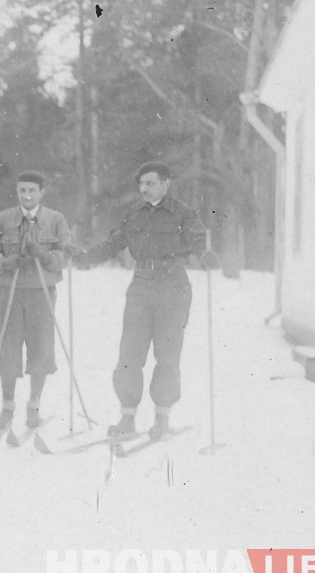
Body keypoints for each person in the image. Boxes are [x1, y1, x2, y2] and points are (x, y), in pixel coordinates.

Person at [79, 161, 215, 439]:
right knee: (129, 355)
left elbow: (198, 239)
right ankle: (127, 419)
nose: (144, 188)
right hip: (140, 287)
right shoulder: (134, 212)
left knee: (167, 356)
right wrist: (87, 257)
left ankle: (161, 419)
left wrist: (205, 255)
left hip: (172, 287)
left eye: (150, 183)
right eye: (141, 183)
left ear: (166, 184)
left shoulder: (183, 213)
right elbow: (115, 242)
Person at [0, 171, 73, 430]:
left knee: (41, 349)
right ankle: (7, 407)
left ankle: (34, 405)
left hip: (41, 292)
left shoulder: (56, 220)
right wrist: (9, 262)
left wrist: (43, 255)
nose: (27, 195)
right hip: (11, 292)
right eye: (22, 190)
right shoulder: (4, 219)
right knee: (8, 349)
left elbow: (64, 256)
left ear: (41, 192)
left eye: (32, 190)